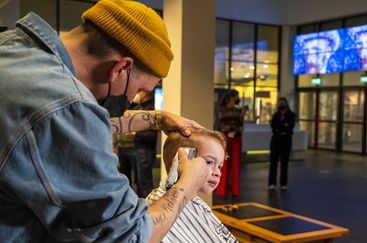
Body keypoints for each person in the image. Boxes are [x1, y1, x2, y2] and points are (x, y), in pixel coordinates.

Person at [0, 1, 210, 242]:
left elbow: (56, 124)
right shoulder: (64, 106)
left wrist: (157, 118)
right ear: (121, 68)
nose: (131, 100)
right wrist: (186, 186)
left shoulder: (14, 49)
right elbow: (129, 236)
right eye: (138, 88)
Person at [146, 129, 238, 242]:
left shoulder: (194, 202)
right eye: (209, 162)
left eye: (219, 166)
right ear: (182, 159)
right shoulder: (157, 204)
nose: (217, 172)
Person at [115, 90, 158, 198]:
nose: (137, 94)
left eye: (141, 91)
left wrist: (136, 134)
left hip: (141, 150)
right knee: (126, 181)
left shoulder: (151, 109)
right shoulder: (134, 107)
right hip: (125, 148)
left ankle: (147, 210)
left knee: (143, 183)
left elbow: (152, 134)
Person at [215, 89, 245, 200]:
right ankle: (221, 191)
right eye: (236, 97)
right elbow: (219, 126)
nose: (237, 100)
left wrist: (242, 116)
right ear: (230, 98)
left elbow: (241, 126)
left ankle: (235, 192)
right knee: (224, 165)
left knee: (236, 165)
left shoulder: (238, 111)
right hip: (225, 140)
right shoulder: (221, 111)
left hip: (237, 139)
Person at [268, 97, 296, 190]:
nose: (281, 106)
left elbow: (289, 127)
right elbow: (273, 127)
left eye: (282, 104)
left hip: (286, 141)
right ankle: (272, 183)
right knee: (273, 163)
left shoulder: (291, 115)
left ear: (286, 104)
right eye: (279, 104)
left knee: (284, 162)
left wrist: (281, 127)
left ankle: (283, 183)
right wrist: (282, 126)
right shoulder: (276, 115)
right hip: (276, 141)